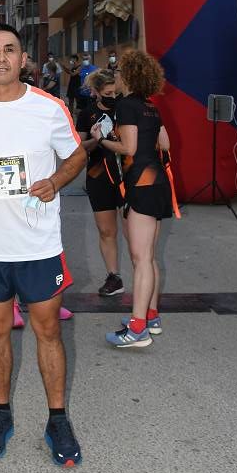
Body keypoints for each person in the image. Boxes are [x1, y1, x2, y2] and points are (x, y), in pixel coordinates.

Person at [0, 23, 87, 466]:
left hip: (38, 246)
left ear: (23, 58)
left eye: (10, 50)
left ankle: (58, 417)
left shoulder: (49, 108)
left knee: (48, 332)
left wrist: (54, 181)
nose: (1, 58)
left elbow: (77, 154)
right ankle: (1, 412)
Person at [92, 50, 176, 349]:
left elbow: (127, 147)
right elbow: (164, 143)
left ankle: (137, 328)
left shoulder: (127, 106)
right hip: (158, 183)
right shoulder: (151, 107)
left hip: (140, 185)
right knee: (149, 256)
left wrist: (101, 138)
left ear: (127, 75)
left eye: (118, 71)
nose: (115, 74)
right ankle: (150, 317)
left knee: (140, 259)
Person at [76, 70, 126, 296]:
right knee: (107, 231)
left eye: (114, 92)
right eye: (107, 93)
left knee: (133, 231)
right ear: (95, 92)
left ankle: (143, 271)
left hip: (127, 176)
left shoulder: (125, 109)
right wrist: (97, 141)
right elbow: (79, 147)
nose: (112, 96)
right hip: (99, 177)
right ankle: (114, 277)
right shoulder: (87, 113)